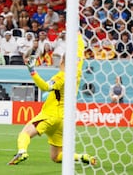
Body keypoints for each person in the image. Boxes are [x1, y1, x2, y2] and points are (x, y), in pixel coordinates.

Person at [8, 34, 96, 166]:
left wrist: (32, 70)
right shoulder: (77, 73)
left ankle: (22, 151)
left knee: (25, 133)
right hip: (62, 120)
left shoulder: (61, 76)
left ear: (62, 61)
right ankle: (82, 157)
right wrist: (76, 35)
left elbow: (45, 87)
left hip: (50, 115)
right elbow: (80, 54)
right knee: (56, 156)